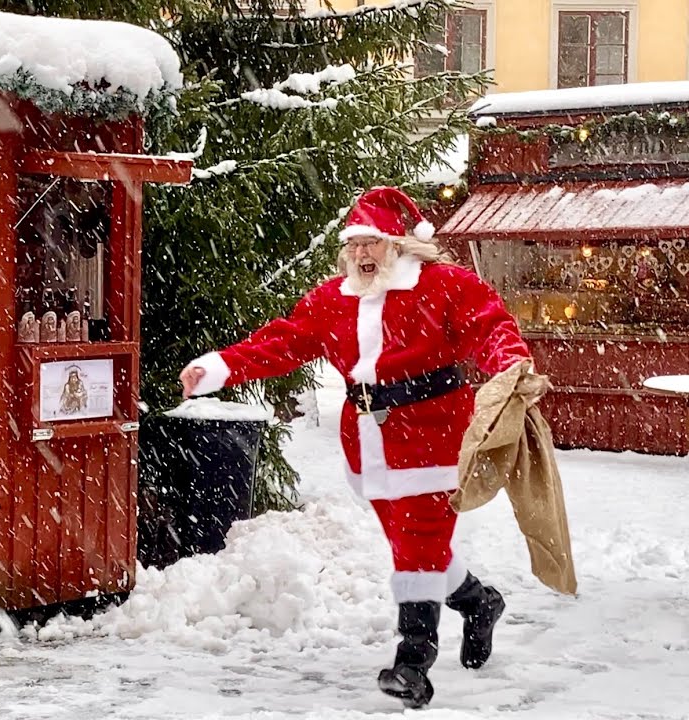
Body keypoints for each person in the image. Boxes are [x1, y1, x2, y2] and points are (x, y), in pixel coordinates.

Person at [180, 187, 547, 709]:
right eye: (353, 245)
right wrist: (219, 367)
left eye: (372, 243)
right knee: (412, 547)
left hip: (433, 436)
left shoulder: (445, 286)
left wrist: (511, 363)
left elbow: (491, 327)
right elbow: (281, 342)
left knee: (419, 542)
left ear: (399, 245)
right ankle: (480, 602)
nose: (361, 254)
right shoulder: (333, 299)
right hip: (368, 441)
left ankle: (413, 660)